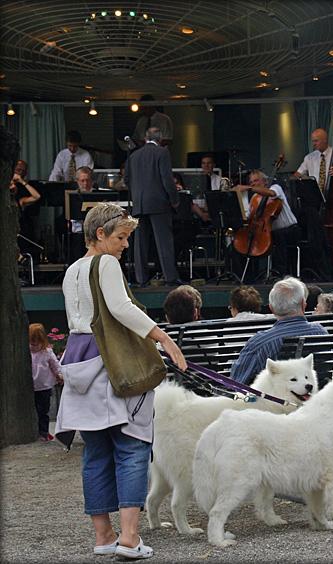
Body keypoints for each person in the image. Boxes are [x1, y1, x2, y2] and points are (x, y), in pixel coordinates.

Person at [55, 202, 186, 559]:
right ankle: (129, 537)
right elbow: (120, 308)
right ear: (100, 234)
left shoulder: (72, 270)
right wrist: (164, 338)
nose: (126, 244)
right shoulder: (106, 263)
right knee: (132, 446)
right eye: (122, 237)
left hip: (79, 359)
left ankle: (104, 535)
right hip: (113, 362)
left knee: (96, 452)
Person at [230, 277, 327, 384]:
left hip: (274, 400)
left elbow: (237, 382)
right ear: (303, 304)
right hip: (316, 397)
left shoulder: (260, 342)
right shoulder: (320, 332)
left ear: (272, 308)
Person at [124, 127, 181, 287]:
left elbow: (127, 178)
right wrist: (174, 200)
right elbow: (167, 179)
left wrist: (136, 193)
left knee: (140, 243)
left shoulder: (134, 155)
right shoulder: (162, 153)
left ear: (145, 138)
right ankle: (170, 277)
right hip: (158, 203)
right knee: (164, 241)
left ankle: (141, 279)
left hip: (139, 203)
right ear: (160, 139)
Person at [233, 169, 299, 277]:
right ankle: (247, 276)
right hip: (267, 231)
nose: (253, 184)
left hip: (290, 230)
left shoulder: (275, 188)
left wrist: (248, 188)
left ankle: (280, 274)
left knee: (278, 236)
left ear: (265, 181)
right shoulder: (255, 198)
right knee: (241, 242)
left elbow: (271, 193)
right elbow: (251, 216)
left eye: (256, 181)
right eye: (251, 182)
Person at [29, 323, 63, 442]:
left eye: (36, 340)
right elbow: (55, 366)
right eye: (32, 340)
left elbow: (55, 365)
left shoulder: (45, 352)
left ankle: (42, 433)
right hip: (37, 387)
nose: (34, 343)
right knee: (38, 411)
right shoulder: (32, 351)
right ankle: (39, 432)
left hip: (42, 387)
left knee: (42, 411)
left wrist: (59, 375)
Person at [294, 128, 333, 192]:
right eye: (313, 141)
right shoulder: (309, 157)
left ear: (325, 140)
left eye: (316, 141)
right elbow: (298, 173)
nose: (314, 144)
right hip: (315, 194)